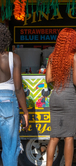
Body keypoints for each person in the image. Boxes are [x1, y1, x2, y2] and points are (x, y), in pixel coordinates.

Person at [46, 28, 76, 166]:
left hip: (55, 97)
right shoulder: (74, 56)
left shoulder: (52, 56)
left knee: (54, 137)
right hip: (69, 98)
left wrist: (59, 75)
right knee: (68, 137)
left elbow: (48, 79)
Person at [0, 23, 29, 166]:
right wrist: (25, 112)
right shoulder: (14, 58)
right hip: (8, 104)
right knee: (10, 147)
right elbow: (18, 88)